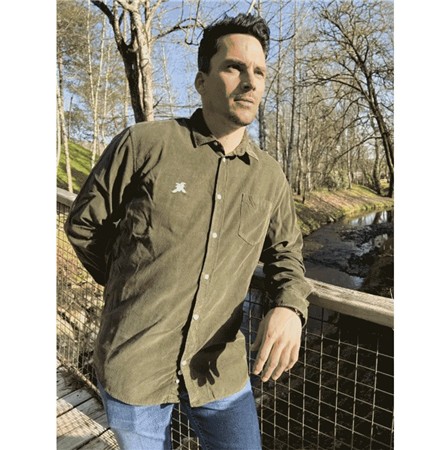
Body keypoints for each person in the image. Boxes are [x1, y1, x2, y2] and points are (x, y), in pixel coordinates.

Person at [65, 13, 312, 450]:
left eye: (259, 72)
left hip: (219, 368)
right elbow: (85, 223)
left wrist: (290, 307)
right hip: (135, 362)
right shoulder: (144, 144)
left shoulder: (270, 177)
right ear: (201, 80)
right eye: (234, 67)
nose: (250, 83)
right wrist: (129, 286)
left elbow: (286, 256)